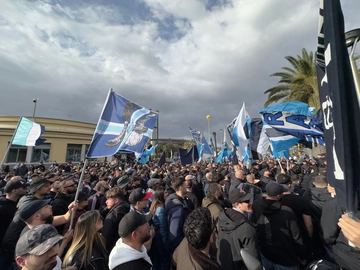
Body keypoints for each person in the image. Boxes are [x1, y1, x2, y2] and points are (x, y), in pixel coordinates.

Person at [251, 181, 306, 270]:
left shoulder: (256, 205)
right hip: (285, 259)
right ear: (278, 196)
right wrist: (302, 255)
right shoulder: (286, 212)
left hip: (266, 253)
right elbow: (296, 236)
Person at [217, 188, 258, 270]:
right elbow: (253, 259)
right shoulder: (246, 227)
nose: (251, 202)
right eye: (246, 201)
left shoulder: (223, 217)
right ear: (237, 204)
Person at [165, 177, 191, 253]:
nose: (187, 186)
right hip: (182, 248)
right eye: (185, 185)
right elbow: (174, 234)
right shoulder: (178, 209)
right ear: (180, 188)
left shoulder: (183, 201)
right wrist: (182, 248)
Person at [102, 187, 130, 251]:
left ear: (116, 200)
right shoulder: (128, 208)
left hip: (114, 249)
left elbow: (106, 237)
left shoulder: (112, 217)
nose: (106, 202)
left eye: (108, 199)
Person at [149, 187, 171, 270]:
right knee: (165, 261)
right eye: (165, 193)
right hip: (160, 240)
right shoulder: (160, 209)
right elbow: (163, 229)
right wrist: (166, 244)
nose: (167, 194)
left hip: (157, 239)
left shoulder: (156, 205)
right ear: (161, 195)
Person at [202, 182, 224, 258]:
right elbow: (221, 230)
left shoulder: (205, 200)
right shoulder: (218, 210)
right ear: (217, 192)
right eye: (221, 189)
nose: (222, 191)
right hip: (215, 243)